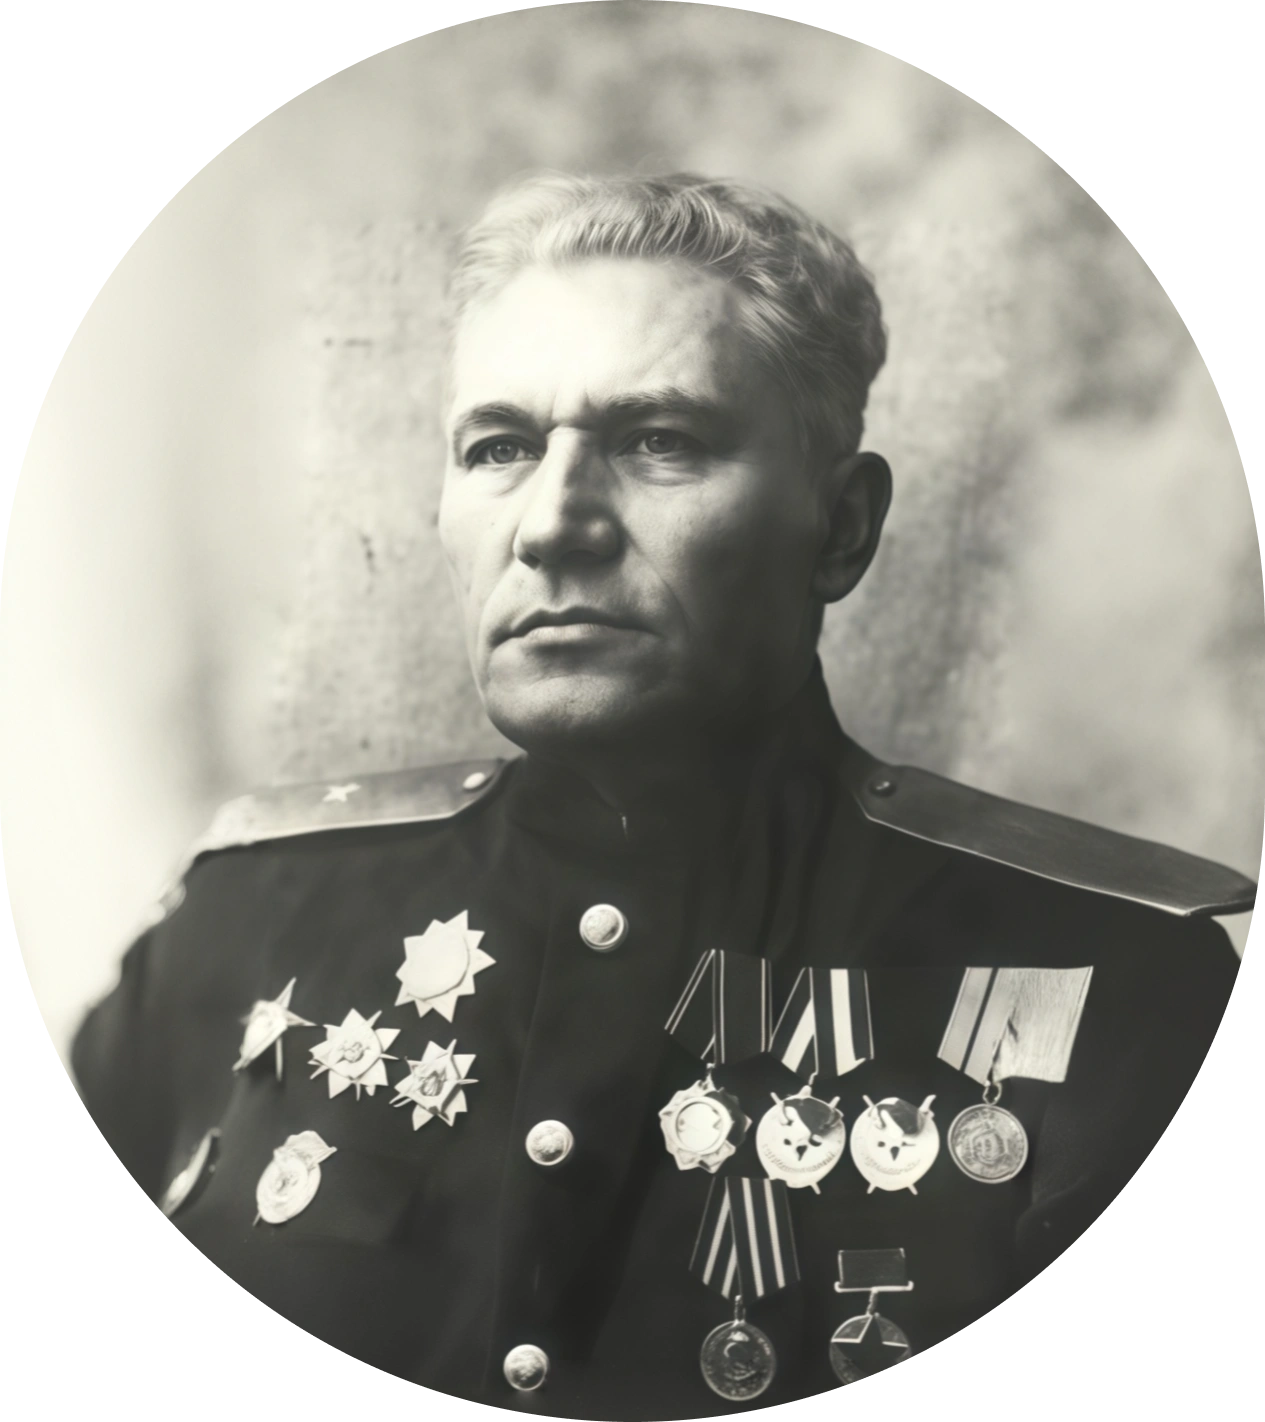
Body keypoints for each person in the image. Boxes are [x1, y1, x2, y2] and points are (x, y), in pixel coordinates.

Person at [70, 173, 1253, 1419]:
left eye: (658, 442)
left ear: (839, 529)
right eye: (499, 448)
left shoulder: (1124, 984)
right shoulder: (250, 915)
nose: (551, 525)